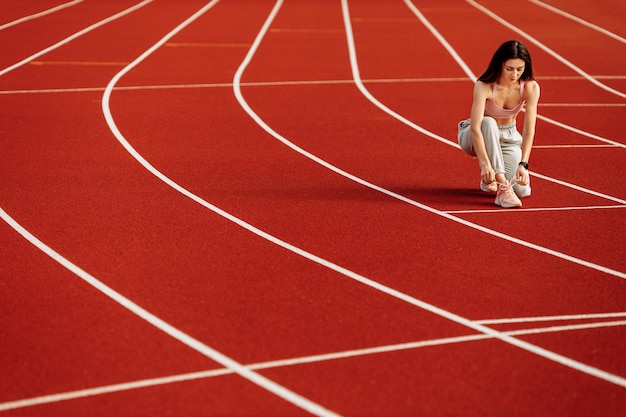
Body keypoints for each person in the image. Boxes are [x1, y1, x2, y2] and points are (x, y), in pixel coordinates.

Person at [457, 40, 540, 208]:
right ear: (500, 65)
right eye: (509, 69)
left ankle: (494, 178)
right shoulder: (484, 85)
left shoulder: (531, 88)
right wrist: (484, 165)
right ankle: (502, 189)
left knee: (522, 191)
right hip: (475, 135)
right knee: (488, 122)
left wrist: (523, 164)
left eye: (519, 69)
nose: (514, 74)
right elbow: (475, 128)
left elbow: (529, 130)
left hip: (507, 139)